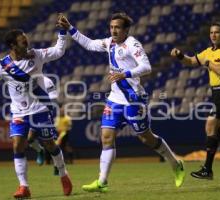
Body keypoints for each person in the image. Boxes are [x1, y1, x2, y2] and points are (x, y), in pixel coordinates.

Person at [57, 12, 185, 192]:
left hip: (134, 100)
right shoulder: (109, 43)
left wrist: (125, 74)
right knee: (106, 137)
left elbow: (146, 67)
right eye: (111, 27)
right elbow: (89, 44)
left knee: (146, 138)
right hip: (114, 100)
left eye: (117, 27)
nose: (113, 30)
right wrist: (69, 28)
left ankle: (176, 164)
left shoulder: (132, 44)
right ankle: (102, 181)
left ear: (126, 30)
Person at [0, 26, 73, 198]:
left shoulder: (36, 55)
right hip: (19, 112)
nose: (27, 43)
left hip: (40, 109)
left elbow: (58, 51)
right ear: (13, 45)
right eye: (23, 41)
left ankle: (64, 175)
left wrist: (63, 33)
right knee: (17, 145)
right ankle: (24, 187)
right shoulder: (3, 65)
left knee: (50, 144)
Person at [170, 21, 220, 179]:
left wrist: (208, 63)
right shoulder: (209, 51)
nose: (213, 35)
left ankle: (207, 169)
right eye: (211, 33)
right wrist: (180, 56)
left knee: (210, 125)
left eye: (217, 32)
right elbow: (191, 61)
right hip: (217, 93)